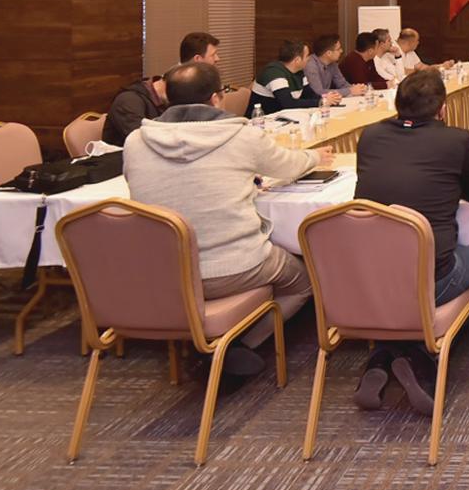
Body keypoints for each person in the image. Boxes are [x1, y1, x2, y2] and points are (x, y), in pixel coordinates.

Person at [123, 61, 332, 377]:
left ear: (167, 98)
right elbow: (289, 165)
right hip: (235, 266)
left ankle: (213, 344)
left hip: (165, 270)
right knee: (304, 281)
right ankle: (239, 345)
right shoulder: (241, 136)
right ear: (216, 98)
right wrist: (316, 156)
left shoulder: (136, 141)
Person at [352, 68, 469, 414]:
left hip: (369, 276)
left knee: (406, 277)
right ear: (442, 109)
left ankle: (382, 355)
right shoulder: (455, 140)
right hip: (432, 275)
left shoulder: (370, 136)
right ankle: (423, 354)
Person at [250, 41, 339, 115]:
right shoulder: (274, 73)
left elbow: (309, 95)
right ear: (297, 60)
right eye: (307, 56)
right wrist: (322, 101)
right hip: (263, 121)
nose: (309, 59)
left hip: (285, 117)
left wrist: (327, 98)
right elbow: (288, 103)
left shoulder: (299, 72)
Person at [102, 75, 168, 148]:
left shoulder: (165, 101)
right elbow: (139, 138)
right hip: (121, 152)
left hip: (149, 151)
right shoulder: (128, 99)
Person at [376, 28, 454, 85]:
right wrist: (417, 71)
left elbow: (422, 67)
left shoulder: (411, 52)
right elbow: (401, 73)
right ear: (410, 42)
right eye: (417, 41)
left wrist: (441, 66)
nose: (418, 43)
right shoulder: (390, 52)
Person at [305, 34, 366, 98]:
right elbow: (319, 92)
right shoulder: (310, 65)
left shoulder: (332, 63)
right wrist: (350, 91)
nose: (341, 51)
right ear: (329, 53)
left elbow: (342, 84)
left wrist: (358, 88)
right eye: (338, 49)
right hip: (313, 101)